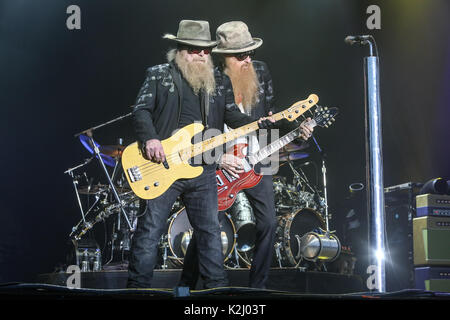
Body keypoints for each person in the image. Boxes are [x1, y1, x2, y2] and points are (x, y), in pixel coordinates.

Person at [127, 20, 275, 289]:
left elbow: (230, 114)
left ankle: (217, 292)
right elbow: (141, 110)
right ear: (181, 50)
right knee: (149, 233)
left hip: (204, 167)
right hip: (165, 165)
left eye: (206, 50)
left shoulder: (217, 80)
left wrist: (260, 124)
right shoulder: (159, 74)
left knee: (210, 234)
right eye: (196, 50)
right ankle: (137, 290)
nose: (202, 55)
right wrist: (150, 138)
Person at [179, 21, 314, 289]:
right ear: (224, 57)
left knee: (269, 224)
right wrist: (217, 157)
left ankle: (258, 287)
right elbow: (202, 124)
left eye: (250, 52)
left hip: (259, 156)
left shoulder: (261, 72)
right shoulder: (212, 79)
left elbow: (272, 114)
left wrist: (296, 128)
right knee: (209, 225)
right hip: (222, 159)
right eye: (241, 55)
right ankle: (186, 285)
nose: (248, 59)